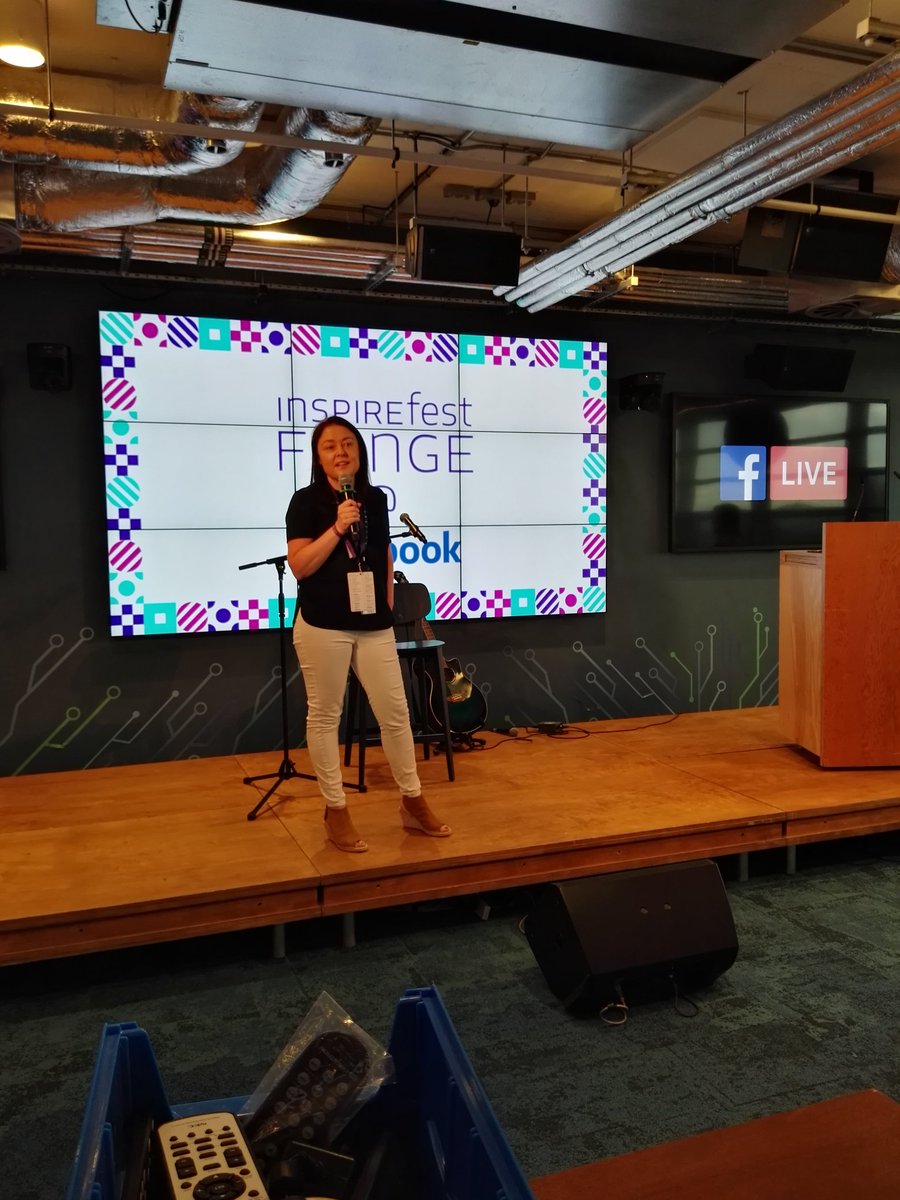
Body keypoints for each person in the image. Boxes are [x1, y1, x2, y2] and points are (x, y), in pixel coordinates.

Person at [286, 416, 451, 852]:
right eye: (330, 447)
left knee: (396, 714)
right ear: (318, 457)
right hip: (323, 622)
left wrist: (388, 597)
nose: (341, 452)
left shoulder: (374, 499)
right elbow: (300, 566)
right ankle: (335, 809)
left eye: (348, 444)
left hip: (373, 622)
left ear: (359, 452)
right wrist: (338, 527)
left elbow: (382, 550)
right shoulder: (305, 503)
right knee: (325, 717)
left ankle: (413, 802)